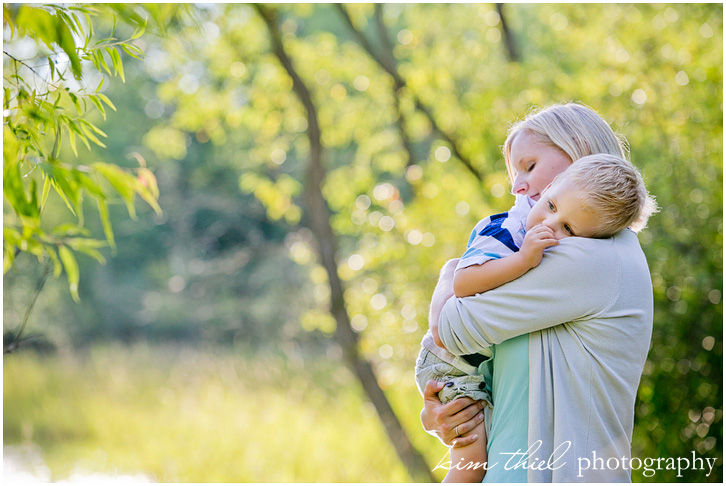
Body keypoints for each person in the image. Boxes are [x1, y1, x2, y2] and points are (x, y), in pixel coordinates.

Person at [420, 103, 657, 482]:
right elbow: (507, 376)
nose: (519, 187)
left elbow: (451, 328)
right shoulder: (563, 246)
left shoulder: (589, 255)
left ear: (579, 151)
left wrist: (450, 273)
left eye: (530, 166)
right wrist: (449, 414)